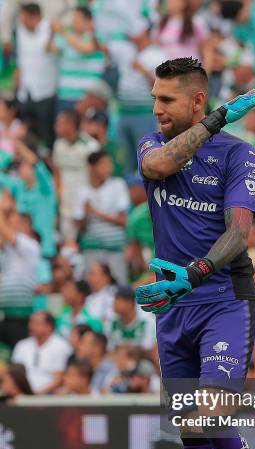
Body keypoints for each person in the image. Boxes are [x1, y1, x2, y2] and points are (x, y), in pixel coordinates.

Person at [135, 58, 255, 449]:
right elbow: (158, 170)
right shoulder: (152, 145)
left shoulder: (240, 155)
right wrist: (218, 118)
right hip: (173, 311)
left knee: (212, 415)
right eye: (154, 98)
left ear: (194, 101)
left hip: (223, 300)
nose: (156, 109)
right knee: (193, 436)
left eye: (167, 100)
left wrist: (193, 275)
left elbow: (239, 234)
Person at [110, 23, 166, 173]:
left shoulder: (157, 55)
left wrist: (143, 70)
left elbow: (163, 85)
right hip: (124, 112)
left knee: (145, 156)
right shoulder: (128, 51)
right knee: (124, 159)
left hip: (144, 113)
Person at [74, 150, 129, 284]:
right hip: (92, 250)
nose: (109, 167)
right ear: (92, 167)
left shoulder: (118, 185)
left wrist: (96, 213)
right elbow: (80, 227)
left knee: (119, 288)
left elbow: (123, 220)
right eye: (103, 164)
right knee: (93, 288)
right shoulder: (82, 192)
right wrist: (87, 214)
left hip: (115, 250)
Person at [15, 2, 58, 150]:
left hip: (45, 91)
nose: (22, 21)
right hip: (25, 91)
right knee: (27, 134)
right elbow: (21, 59)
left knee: (47, 133)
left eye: (24, 17)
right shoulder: (21, 31)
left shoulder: (51, 28)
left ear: (34, 16)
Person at [52, 109, 100, 241]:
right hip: (65, 202)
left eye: (59, 123)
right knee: (67, 240)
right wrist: (58, 194)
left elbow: (97, 174)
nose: (56, 127)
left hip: (84, 201)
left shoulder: (91, 146)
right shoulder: (58, 144)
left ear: (70, 125)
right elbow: (56, 171)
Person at [47, 6, 106, 112]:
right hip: (65, 96)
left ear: (88, 21)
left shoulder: (96, 38)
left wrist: (63, 31)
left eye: (77, 18)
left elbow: (85, 49)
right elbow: (49, 49)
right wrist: (53, 31)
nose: (73, 22)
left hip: (87, 98)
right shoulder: (67, 38)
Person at [0, 209, 41, 348]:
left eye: (13, 223)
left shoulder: (31, 245)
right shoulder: (6, 250)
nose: (9, 226)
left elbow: (5, 231)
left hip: (21, 316)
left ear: (25, 226)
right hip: (4, 315)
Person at [11, 311, 72, 393]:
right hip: (21, 394)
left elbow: (59, 379)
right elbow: (14, 374)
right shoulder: (22, 345)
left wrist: (37, 395)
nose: (30, 326)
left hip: (50, 397)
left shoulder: (61, 346)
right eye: (30, 322)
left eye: (36, 323)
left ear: (49, 327)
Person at [76, 329, 115, 394]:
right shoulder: (82, 368)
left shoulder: (112, 370)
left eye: (83, 342)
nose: (78, 346)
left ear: (97, 348)